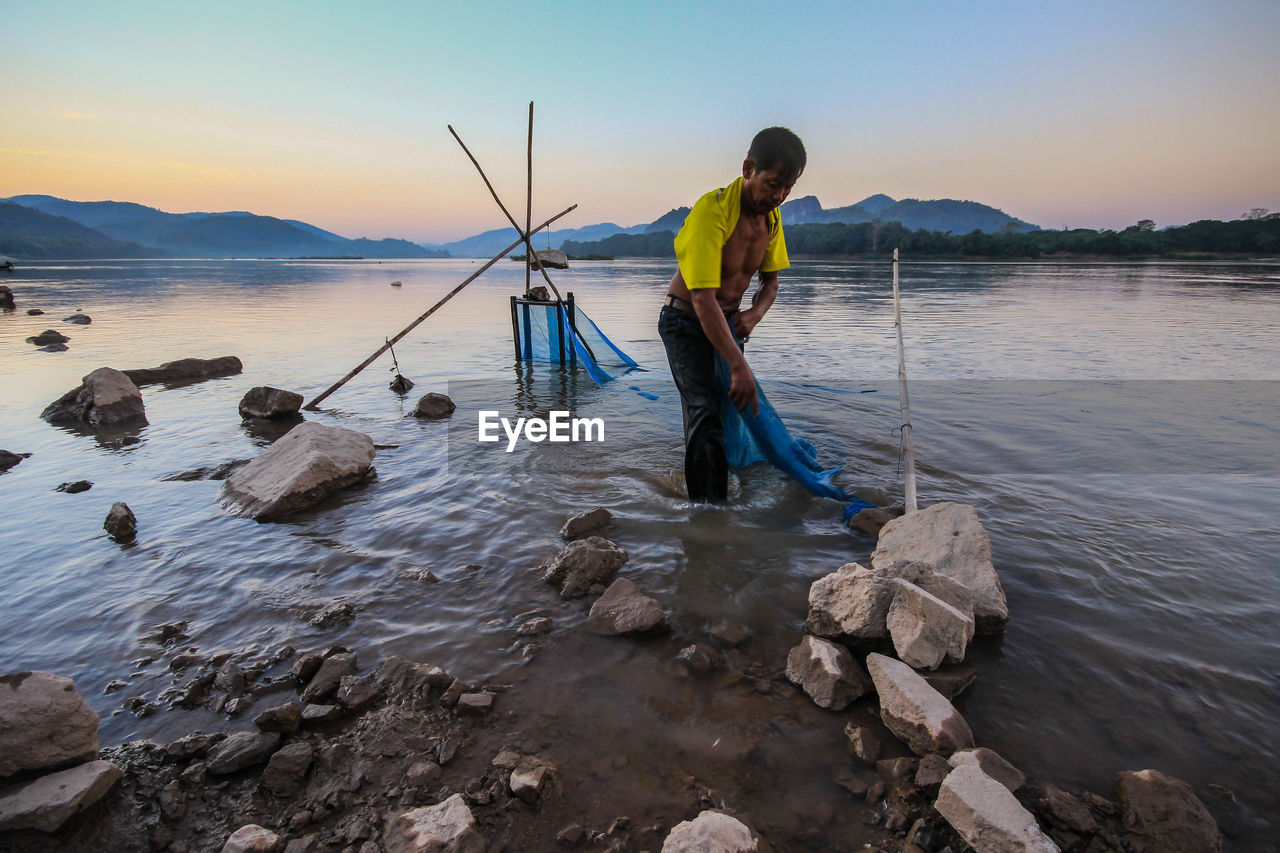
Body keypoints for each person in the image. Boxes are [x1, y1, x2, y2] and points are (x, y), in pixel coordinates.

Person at [658, 127, 805, 502]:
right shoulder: (714, 210)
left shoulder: (771, 220)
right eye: (773, 184)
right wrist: (738, 365)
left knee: (727, 412)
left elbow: (770, 284)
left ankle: (712, 493)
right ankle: (710, 522)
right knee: (704, 410)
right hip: (686, 322)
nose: (778, 196)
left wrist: (754, 315)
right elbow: (702, 297)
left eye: (788, 188)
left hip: (728, 324)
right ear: (748, 168)